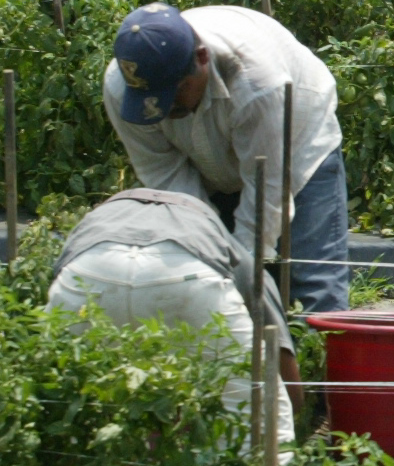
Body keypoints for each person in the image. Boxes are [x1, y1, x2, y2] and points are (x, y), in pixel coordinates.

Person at [101, 4, 350, 320]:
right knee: (211, 296)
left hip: (296, 150)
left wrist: (239, 270)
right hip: (205, 166)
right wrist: (208, 257)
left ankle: (317, 366)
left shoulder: (257, 81)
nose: (161, 110)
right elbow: (164, 175)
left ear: (201, 59)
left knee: (315, 293)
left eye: (172, 94)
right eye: (149, 102)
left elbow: (267, 192)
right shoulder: (122, 88)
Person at [47, 188, 297, 440]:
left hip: (91, 267)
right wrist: (297, 408)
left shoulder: (98, 218)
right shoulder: (211, 229)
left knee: (69, 400)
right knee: (257, 417)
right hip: (184, 269)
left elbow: (55, 285)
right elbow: (273, 334)